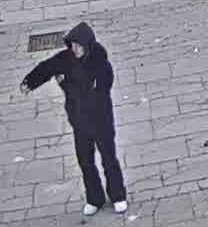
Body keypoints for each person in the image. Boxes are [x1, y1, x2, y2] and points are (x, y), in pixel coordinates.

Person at [20, 22, 127, 216]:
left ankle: (118, 196)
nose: (74, 49)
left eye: (78, 46)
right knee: (85, 161)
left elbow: (95, 92)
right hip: (79, 122)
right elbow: (47, 68)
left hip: (101, 121)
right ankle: (94, 199)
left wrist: (65, 84)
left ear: (88, 46)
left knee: (109, 160)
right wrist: (30, 82)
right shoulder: (66, 58)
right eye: (73, 45)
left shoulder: (101, 64)